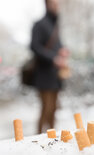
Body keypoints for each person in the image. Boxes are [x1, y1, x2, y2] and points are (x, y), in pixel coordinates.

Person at [30, 0, 69, 133]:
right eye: (54, 3)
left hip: (55, 75)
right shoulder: (39, 24)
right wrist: (53, 58)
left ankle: (52, 139)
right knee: (46, 109)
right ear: (47, 4)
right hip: (43, 75)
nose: (57, 5)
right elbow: (34, 46)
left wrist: (62, 50)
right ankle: (38, 138)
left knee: (53, 110)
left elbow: (56, 45)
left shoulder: (55, 24)